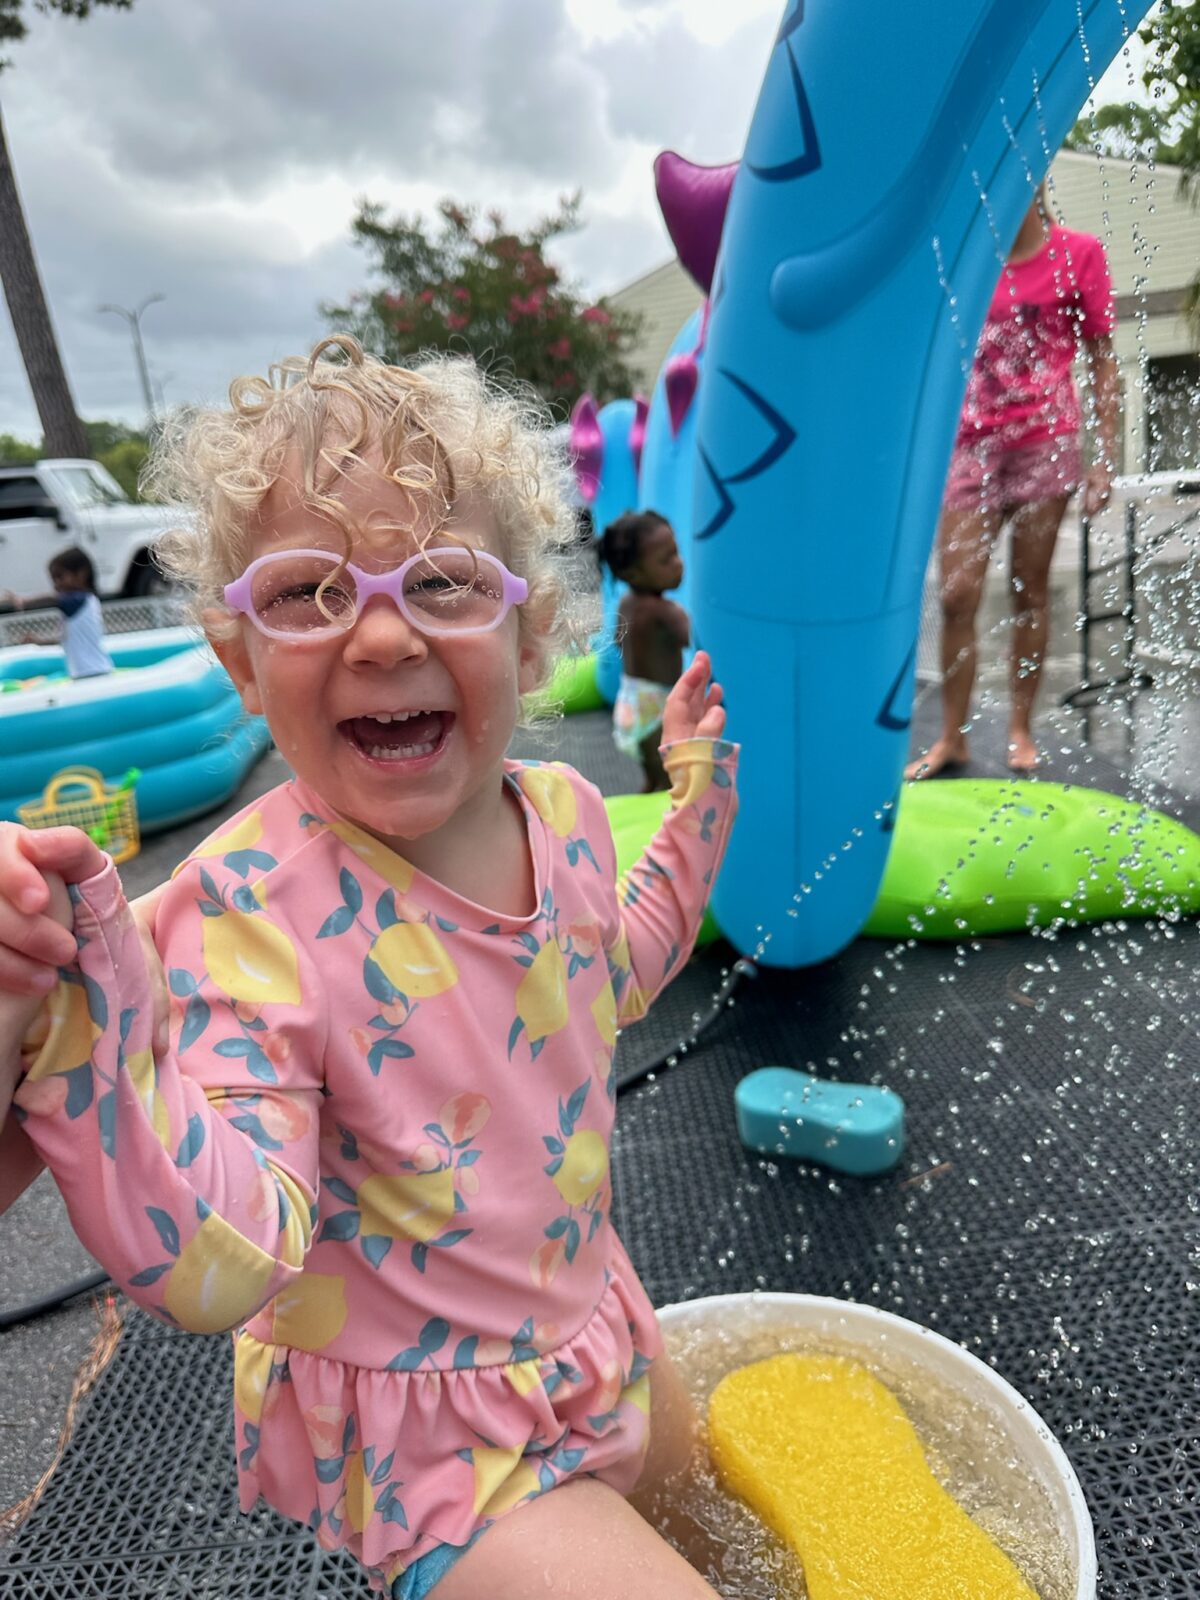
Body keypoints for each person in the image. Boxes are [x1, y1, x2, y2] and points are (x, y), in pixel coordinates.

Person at [0, 336, 737, 1600]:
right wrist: (86, 1034)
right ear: (237, 659)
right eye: (306, 592)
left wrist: (698, 796)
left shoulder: (559, 810)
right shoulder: (252, 914)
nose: (385, 634)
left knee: (715, 1512)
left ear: (531, 626)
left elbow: (613, 972)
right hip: (438, 1440)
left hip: (593, 1320)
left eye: (444, 581)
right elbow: (227, 1259)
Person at [906, 185, 1119, 780]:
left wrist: (1103, 458)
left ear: (1035, 185)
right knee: (956, 595)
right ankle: (953, 736)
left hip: (1044, 446)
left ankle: (1020, 728)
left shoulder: (1078, 255)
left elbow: (1103, 358)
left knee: (1029, 592)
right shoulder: (964, 263)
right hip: (970, 448)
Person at [599, 510, 689, 791]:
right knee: (670, 783)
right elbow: (697, 639)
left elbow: (617, 639)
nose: (679, 564)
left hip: (631, 701)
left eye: (676, 553)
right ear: (632, 573)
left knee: (654, 779)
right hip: (658, 707)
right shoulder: (665, 611)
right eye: (666, 560)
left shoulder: (626, 603)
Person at [1, 546, 113, 679]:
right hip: (88, 672)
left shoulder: (79, 600)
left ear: (82, 574)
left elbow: (54, 599)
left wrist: (24, 601)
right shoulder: (80, 607)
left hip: (93, 673)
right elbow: (66, 639)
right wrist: (39, 642)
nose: (56, 584)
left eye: (60, 577)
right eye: (53, 580)